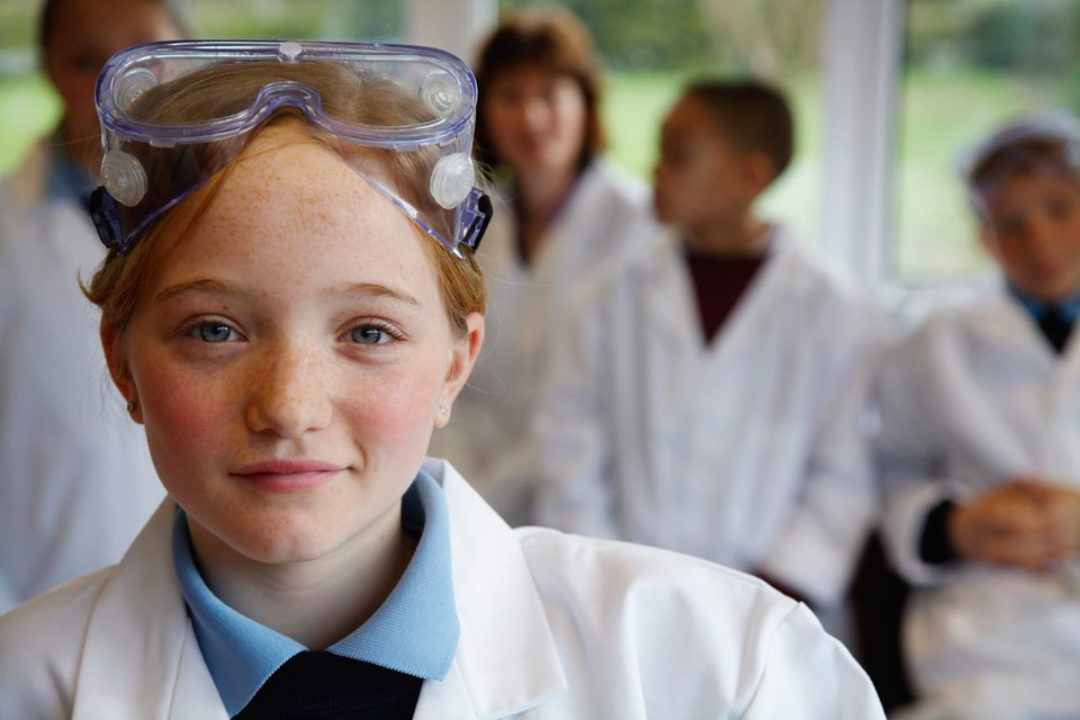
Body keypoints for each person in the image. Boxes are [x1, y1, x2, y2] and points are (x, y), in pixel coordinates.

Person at [0, 41, 885, 718]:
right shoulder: (22, 683)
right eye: (214, 330)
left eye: (369, 332)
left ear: (456, 364)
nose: (289, 408)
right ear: (122, 363)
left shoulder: (727, 672)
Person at [532, 79, 883, 614]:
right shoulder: (608, 294)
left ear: (750, 177)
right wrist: (609, 581)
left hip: (772, 613)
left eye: (678, 155)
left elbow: (843, 474)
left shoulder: (836, 308)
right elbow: (569, 448)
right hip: (621, 600)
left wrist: (768, 599)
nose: (654, 170)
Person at [877, 112, 1080, 720]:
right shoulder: (932, 342)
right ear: (984, 238)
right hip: (986, 639)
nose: (1039, 241)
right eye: (1011, 225)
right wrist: (954, 526)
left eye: (1059, 209)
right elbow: (894, 473)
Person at [427, 8, 650, 525]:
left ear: (586, 104)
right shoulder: (469, 220)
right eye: (510, 96)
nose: (530, 117)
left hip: (594, 505)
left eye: (550, 95)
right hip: (474, 487)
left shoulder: (638, 226)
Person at [0, 0, 184, 612]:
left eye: (145, 56)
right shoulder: (10, 231)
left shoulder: (223, 217)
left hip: (199, 597)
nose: (119, 85)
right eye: (86, 61)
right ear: (48, 71)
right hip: (36, 600)